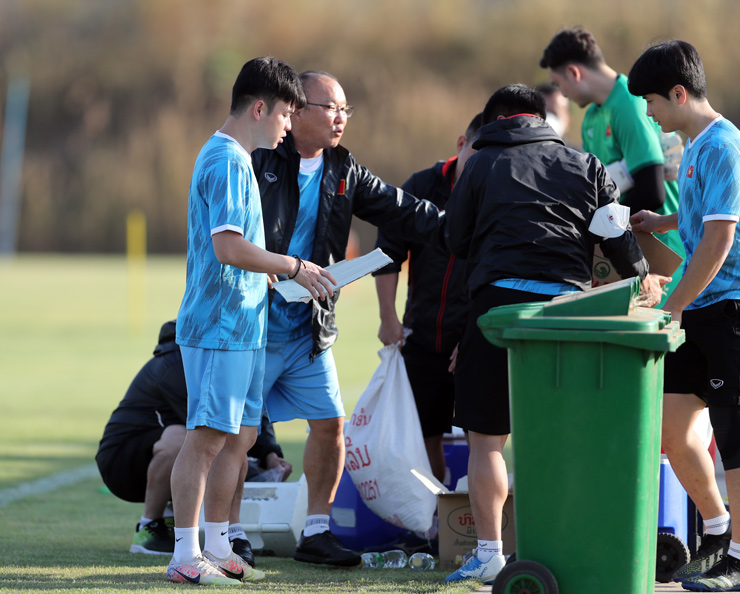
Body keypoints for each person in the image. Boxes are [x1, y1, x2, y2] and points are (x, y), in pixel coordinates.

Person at [443, 84, 666, 583]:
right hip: (569, 312)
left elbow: (455, 239)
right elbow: (616, 234)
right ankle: (572, 544)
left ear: (496, 121)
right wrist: (642, 277)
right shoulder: (585, 164)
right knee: (567, 439)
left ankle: (490, 553)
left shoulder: (480, 163)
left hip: (497, 310)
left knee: (486, 441)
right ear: (541, 118)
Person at [251, 70, 446, 567]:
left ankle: (316, 531)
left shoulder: (344, 169)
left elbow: (405, 211)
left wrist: (466, 226)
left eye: (345, 109)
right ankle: (227, 534)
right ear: (295, 112)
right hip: (251, 324)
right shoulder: (257, 161)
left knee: (330, 425)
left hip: (308, 329)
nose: (340, 117)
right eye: (330, 107)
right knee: (239, 435)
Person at [169, 56, 336, 586]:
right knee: (205, 439)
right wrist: (291, 265)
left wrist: (266, 274)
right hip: (218, 328)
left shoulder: (238, 157)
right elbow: (227, 247)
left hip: (241, 326)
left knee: (236, 434)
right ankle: (184, 554)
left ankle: (217, 544)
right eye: (287, 113)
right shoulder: (226, 160)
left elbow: (240, 251)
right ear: (260, 108)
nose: (289, 125)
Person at [628, 40, 740, 591]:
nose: (649, 115)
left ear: (678, 92)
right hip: (697, 308)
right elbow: (699, 218)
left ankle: (738, 561)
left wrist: (671, 305)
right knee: (673, 430)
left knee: (735, 440)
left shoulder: (723, 145)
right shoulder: (693, 145)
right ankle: (719, 532)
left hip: (729, 312)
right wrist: (663, 220)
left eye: (652, 103)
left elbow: (720, 236)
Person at [95, 320, 291, 564]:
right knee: (188, 440)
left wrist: (269, 454)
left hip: (157, 454)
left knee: (206, 445)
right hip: (122, 463)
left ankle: (172, 518)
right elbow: (214, 433)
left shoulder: (217, 359)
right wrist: (251, 471)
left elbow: (248, 408)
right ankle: (149, 526)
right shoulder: (174, 366)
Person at [540, 27, 686, 307]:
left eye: (559, 85)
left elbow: (652, 191)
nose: (563, 94)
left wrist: (597, 229)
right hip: (627, 255)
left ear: (574, 72)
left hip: (664, 256)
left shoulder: (630, 103)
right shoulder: (591, 118)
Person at [373, 112, 482, 485]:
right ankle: (434, 524)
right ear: (460, 144)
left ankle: (478, 527)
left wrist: (473, 337)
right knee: (423, 438)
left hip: (470, 343)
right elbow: (388, 252)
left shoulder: (496, 194)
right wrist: (389, 317)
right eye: (476, 152)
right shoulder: (421, 185)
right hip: (420, 339)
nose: (481, 164)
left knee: (481, 439)